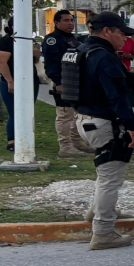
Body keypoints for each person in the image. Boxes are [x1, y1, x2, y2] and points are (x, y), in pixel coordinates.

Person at [66, 11, 134, 250]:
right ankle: (103, 232)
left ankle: (95, 211)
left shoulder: (79, 50)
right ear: (107, 31)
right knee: (111, 177)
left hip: (83, 119)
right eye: (122, 34)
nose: (125, 39)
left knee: (104, 171)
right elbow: (117, 96)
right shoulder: (103, 57)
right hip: (103, 121)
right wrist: (133, 128)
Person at [42, 9, 93, 158]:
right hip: (63, 83)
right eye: (66, 20)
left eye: (71, 20)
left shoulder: (72, 39)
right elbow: (51, 65)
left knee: (77, 115)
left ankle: (77, 143)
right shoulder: (53, 40)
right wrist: (58, 83)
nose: (70, 23)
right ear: (56, 23)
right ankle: (65, 146)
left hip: (77, 83)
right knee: (65, 115)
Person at [0, 18, 40, 153]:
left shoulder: (29, 42)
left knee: (28, 111)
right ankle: (12, 141)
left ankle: (26, 138)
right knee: (14, 112)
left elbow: (36, 60)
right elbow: (2, 63)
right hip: (11, 82)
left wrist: (35, 52)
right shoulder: (6, 42)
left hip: (31, 81)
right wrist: (10, 81)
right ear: (13, 26)